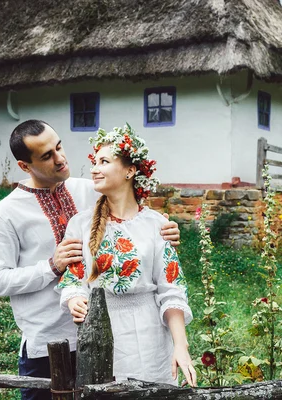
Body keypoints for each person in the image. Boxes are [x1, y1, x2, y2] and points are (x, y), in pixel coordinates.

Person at [0, 120, 180, 400]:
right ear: (25, 166)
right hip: (49, 345)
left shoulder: (90, 189)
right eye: (47, 156)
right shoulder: (5, 214)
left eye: (59, 146)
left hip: (105, 339)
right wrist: (51, 266)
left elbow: (134, 219)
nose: (60, 159)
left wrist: (166, 229)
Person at [57, 124, 196, 387]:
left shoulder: (157, 225)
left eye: (104, 161)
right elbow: (74, 279)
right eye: (94, 162)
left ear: (130, 171)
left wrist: (181, 345)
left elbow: (171, 290)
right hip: (99, 333)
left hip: (151, 334)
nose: (94, 169)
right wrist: (75, 298)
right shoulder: (80, 225)